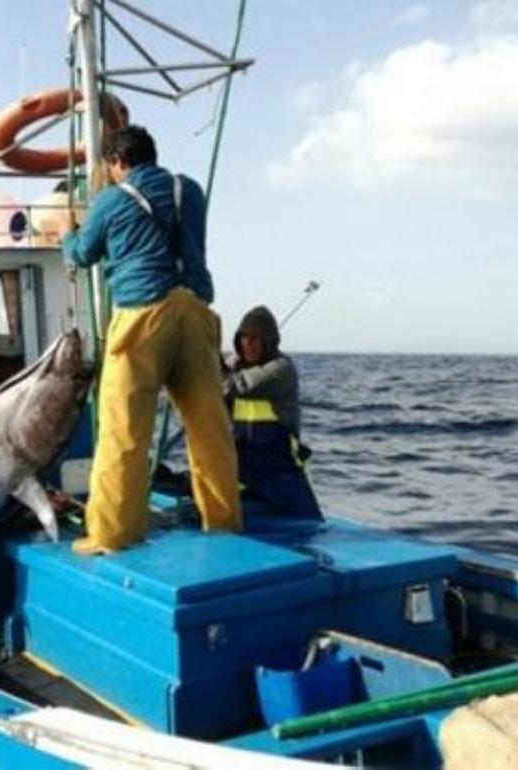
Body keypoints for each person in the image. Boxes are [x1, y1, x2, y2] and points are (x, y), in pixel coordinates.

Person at [60, 124, 241, 554]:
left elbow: (82, 254)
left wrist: (68, 232)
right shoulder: (188, 190)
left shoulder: (110, 200)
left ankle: (111, 535)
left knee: (124, 431)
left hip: (141, 315)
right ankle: (224, 524)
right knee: (209, 427)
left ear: (116, 162)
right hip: (195, 311)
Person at [223, 306, 323, 520]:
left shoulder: (282, 369)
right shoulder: (235, 368)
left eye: (255, 339)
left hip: (279, 471)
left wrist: (214, 367)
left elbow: (240, 387)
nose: (248, 344)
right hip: (242, 467)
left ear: (268, 341)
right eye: (244, 338)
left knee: (306, 523)